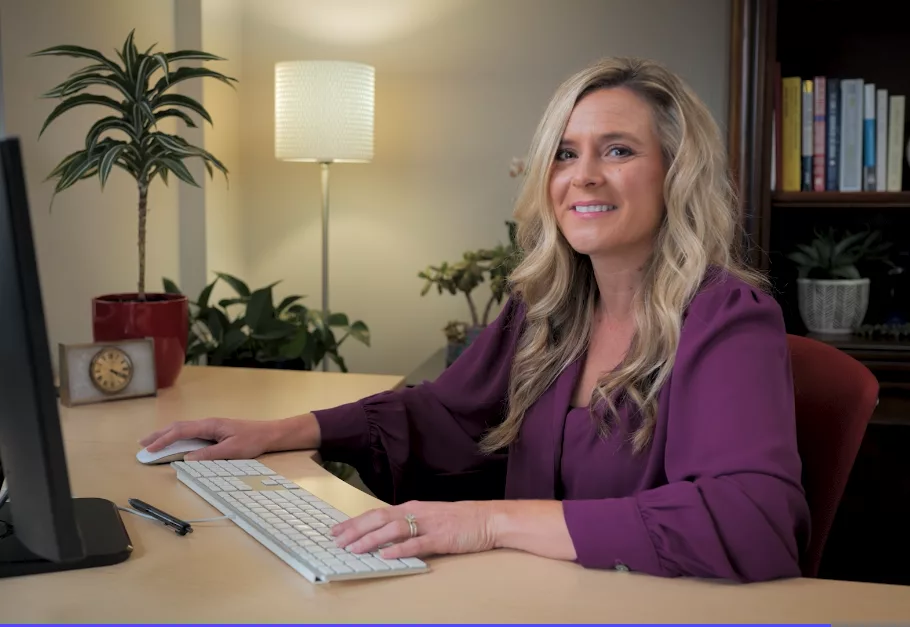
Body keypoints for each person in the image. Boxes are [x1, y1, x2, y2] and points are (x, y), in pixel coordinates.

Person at [141, 57, 810, 583]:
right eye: (566, 153)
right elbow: (443, 416)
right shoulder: (547, 308)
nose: (584, 177)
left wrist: (491, 522)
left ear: (676, 174)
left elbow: (753, 522)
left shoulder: (728, 319)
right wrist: (281, 430)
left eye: (618, 151)